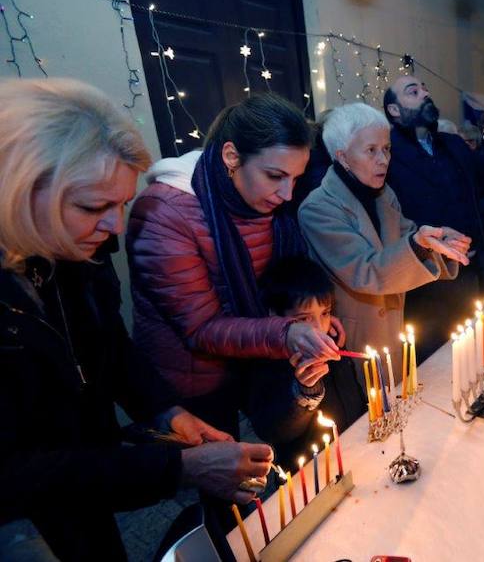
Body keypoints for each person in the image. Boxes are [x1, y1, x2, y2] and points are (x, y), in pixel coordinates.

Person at [0, 78, 274, 561]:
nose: (117, 226)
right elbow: (14, 470)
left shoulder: (75, 248)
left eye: (122, 203)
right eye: (94, 206)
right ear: (19, 189)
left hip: (86, 478)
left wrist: (168, 411)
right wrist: (177, 470)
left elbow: (110, 346)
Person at [127, 93, 342, 447]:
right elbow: (200, 328)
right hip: (195, 376)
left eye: (296, 178)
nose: (288, 194)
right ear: (231, 156)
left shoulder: (262, 200)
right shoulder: (165, 213)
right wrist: (287, 332)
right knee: (222, 472)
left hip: (252, 357)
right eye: (275, 176)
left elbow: (278, 282)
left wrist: (309, 318)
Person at [299, 103, 470, 381]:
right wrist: (419, 243)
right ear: (342, 157)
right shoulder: (318, 208)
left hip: (392, 330)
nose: (384, 159)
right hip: (354, 340)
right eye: (371, 150)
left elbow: (409, 235)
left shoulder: (383, 194)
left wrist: (442, 241)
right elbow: (365, 271)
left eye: (387, 149)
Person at [383, 75, 484, 359]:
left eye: (424, 88)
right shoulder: (387, 152)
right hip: (427, 282)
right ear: (394, 109)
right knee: (438, 362)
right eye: (413, 91)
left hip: (471, 268)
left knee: (478, 352)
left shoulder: (452, 144)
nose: (425, 93)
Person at [259, 255, 367, 441]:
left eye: (325, 313)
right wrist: (305, 390)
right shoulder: (270, 363)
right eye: (304, 319)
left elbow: (353, 399)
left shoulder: (333, 340)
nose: (319, 328)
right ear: (276, 318)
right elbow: (278, 433)